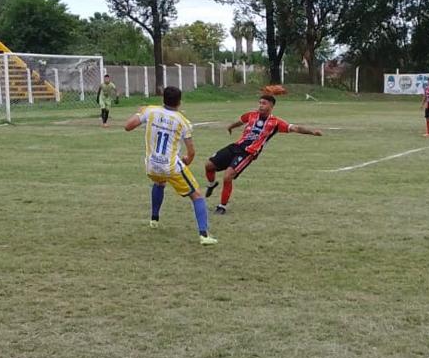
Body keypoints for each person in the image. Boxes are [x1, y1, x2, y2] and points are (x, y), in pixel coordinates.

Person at [123, 86, 217, 245]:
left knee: (159, 182)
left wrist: (140, 112)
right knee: (197, 195)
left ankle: (154, 219)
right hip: (170, 166)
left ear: (162, 99)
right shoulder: (182, 121)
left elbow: (128, 126)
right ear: (179, 102)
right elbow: (191, 151)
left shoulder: (150, 111)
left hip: (151, 165)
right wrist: (188, 160)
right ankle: (204, 235)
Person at [204, 94, 322, 214]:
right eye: (260, 103)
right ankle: (211, 184)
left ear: (271, 106)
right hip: (236, 146)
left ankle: (222, 206)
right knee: (209, 165)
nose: (260, 105)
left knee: (227, 176)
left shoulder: (276, 122)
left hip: (248, 153)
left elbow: (295, 128)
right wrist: (231, 126)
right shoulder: (251, 115)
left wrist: (312, 132)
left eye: (264, 103)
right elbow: (240, 121)